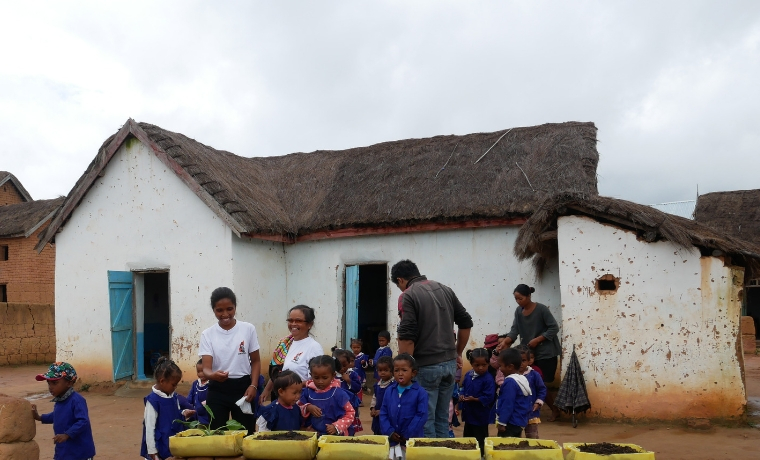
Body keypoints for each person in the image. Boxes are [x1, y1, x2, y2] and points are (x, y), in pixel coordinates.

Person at [392, 259, 473, 438]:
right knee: (443, 418)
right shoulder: (445, 289)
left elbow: (407, 335)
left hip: (425, 366)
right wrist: (457, 353)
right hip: (449, 365)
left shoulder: (407, 295)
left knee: (424, 419)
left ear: (400, 280)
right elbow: (466, 322)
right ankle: (441, 454)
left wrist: (404, 370)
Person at [199, 287, 261, 434]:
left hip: (243, 388)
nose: (225, 314)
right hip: (217, 389)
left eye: (229, 309)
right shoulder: (208, 334)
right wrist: (212, 375)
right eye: (219, 310)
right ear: (213, 310)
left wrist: (253, 385)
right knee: (217, 434)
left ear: (235, 308)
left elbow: (256, 361)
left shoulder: (248, 329)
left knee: (246, 434)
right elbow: (206, 368)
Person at [496, 284, 561, 421]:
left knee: (540, 382)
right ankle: (529, 409)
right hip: (528, 354)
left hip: (545, 353)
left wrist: (538, 339)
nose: (518, 301)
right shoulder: (518, 312)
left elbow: (554, 328)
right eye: (516, 299)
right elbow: (514, 331)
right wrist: (506, 342)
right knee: (527, 380)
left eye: (520, 298)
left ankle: (553, 409)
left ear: (529, 296)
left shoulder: (541, 309)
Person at [260, 305, 324, 405]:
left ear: (309, 324)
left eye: (298, 321)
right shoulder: (285, 343)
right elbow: (278, 372)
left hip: (301, 402)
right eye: (290, 320)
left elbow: (316, 381)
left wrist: (288, 387)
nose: (293, 324)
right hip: (281, 398)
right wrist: (267, 390)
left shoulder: (314, 347)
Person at [31, 362, 96, 460]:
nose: (50, 387)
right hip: (64, 451)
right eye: (48, 383)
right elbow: (57, 415)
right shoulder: (60, 400)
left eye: (55, 383)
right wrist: (40, 417)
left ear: (69, 383)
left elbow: (83, 421)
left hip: (80, 452)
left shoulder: (76, 400)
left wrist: (67, 434)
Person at [140, 357, 195, 460]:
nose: (175, 387)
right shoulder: (153, 401)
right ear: (162, 381)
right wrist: (152, 451)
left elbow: (175, 413)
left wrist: (184, 413)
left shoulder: (173, 397)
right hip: (159, 446)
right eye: (173, 385)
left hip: (171, 444)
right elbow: (149, 427)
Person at [379, 353, 428, 460]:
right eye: (396, 370)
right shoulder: (389, 391)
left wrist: (408, 433)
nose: (400, 374)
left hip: (411, 441)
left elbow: (421, 415)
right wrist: (389, 432)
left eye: (404, 370)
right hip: (392, 441)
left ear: (413, 373)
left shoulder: (420, 393)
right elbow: (383, 413)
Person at [298, 355, 355, 436]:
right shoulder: (307, 392)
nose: (320, 381)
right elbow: (298, 408)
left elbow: (350, 413)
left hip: (335, 437)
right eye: (316, 378)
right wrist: (307, 407)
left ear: (333, 375)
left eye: (324, 378)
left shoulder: (339, 393)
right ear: (311, 375)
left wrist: (336, 426)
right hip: (314, 436)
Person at [459, 348, 496, 456]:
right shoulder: (468, 375)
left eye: (484, 365)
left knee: (480, 438)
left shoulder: (488, 379)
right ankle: (468, 456)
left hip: (481, 416)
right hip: (469, 413)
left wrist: (474, 399)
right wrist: (462, 396)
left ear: (488, 364)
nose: (480, 368)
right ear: (471, 364)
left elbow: (489, 396)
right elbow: (464, 388)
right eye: (477, 365)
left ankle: (481, 456)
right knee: (468, 438)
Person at [495, 349, 532, 438]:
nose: (500, 369)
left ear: (510, 367)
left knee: (505, 447)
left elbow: (507, 403)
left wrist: (502, 422)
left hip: (510, 422)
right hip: (519, 421)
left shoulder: (510, 382)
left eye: (501, 366)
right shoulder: (522, 379)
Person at [518, 346, 546, 439]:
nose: (521, 364)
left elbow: (542, 389)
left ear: (529, 361)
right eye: (518, 360)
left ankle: (533, 452)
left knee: (532, 436)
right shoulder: (511, 375)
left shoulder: (534, 375)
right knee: (515, 437)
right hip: (516, 412)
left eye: (523, 360)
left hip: (531, 411)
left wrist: (538, 402)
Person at [333, 348, 363, 433]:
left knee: (350, 427)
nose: (342, 368)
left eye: (344, 365)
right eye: (339, 365)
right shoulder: (332, 375)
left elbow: (358, 388)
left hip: (350, 404)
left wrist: (349, 380)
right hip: (336, 406)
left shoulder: (352, 374)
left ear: (349, 363)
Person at [369, 355, 393, 435]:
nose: (382, 372)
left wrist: (383, 411)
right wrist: (372, 408)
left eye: (386, 370)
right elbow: (374, 397)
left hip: (389, 416)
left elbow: (394, 403)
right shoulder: (377, 385)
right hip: (377, 416)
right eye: (380, 370)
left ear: (392, 371)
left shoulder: (394, 386)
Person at [187, 359, 210, 425]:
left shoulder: (211, 384)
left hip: (206, 417)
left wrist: (202, 406)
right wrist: (187, 404)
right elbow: (190, 396)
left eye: (202, 371)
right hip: (195, 416)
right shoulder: (195, 383)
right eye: (198, 371)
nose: (200, 374)